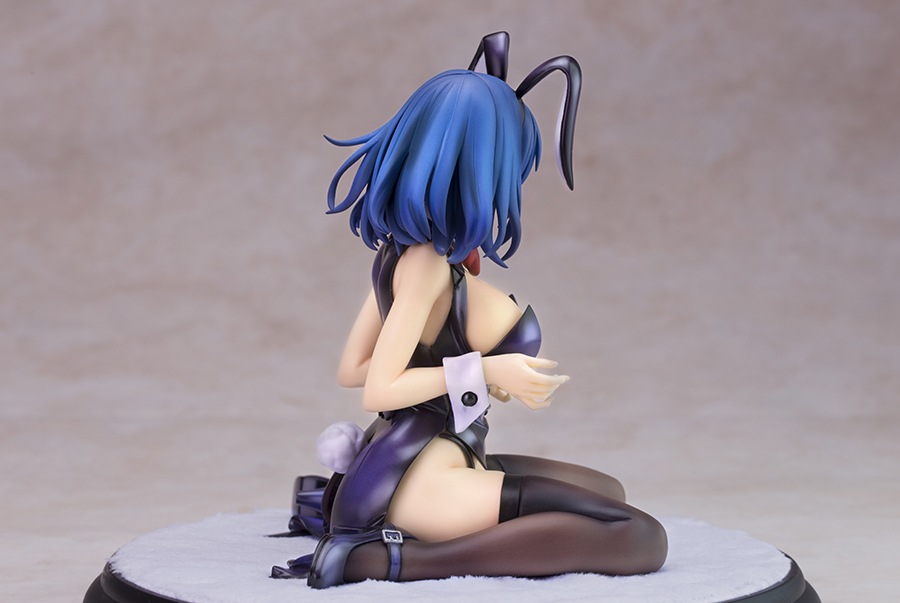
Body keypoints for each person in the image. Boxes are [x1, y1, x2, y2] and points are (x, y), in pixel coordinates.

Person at [273, 32, 667, 589]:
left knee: (609, 493)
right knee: (640, 536)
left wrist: (470, 378)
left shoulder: (405, 254)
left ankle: (346, 511)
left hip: (436, 450)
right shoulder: (425, 266)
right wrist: (486, 369)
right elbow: (378, 388)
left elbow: (352, 367)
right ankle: (386, 561)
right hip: (419, 478)